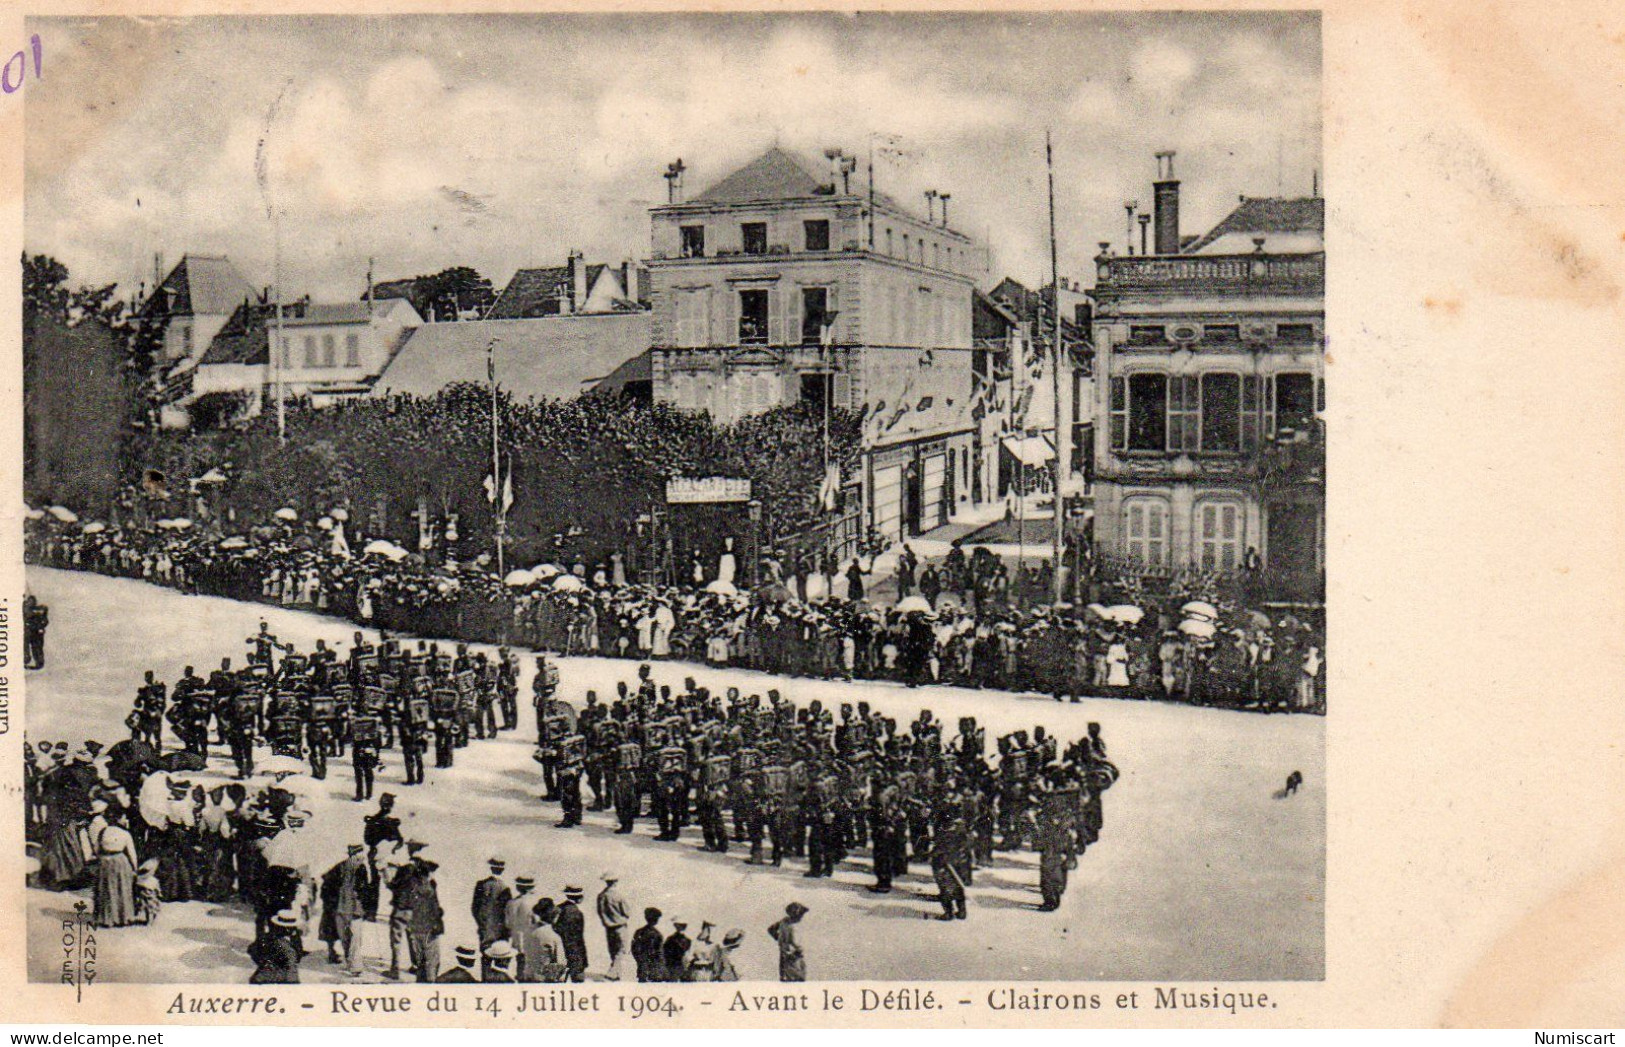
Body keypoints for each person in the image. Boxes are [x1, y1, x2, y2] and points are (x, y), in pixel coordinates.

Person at [92, 809, 138, 927]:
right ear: (118, 819)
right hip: (119, 861)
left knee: (106, 888)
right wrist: (135, 868)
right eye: (123, 817)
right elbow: (132, 854)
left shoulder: (103, 832)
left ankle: (106, 917)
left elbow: (96, 849)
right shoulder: (125, 834)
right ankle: (122, 917)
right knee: (121, 887)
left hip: (104, 861)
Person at [249, 910, 305, 984]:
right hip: (284, 979)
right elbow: (295, 960)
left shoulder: (268, 937)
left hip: (262, 977)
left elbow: (252, 950)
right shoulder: (288, 943)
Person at [521, 898, 566, 983]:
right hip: (544, 979)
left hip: (527, 976)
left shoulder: (528, 931)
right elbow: (560, 965)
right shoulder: (554, 937)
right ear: (554, 916)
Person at [472, 858, 513, 949]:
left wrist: (482, 925)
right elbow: (509, 912)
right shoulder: (505, 888)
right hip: (501, 932)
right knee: (501, 957)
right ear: (502, 870)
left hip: (485, 930)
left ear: (491, 868)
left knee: (486, 957)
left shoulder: (481, 884)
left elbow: (475, 908)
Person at [596, 872, 630, 981]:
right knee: (621, 950)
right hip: (620, 926)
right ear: (615, 882)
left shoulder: (601, 896)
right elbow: (627, 912)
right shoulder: (619, 895)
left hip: (608, 927)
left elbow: (600, 912)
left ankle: (616, 973)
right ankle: (612, 973)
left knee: (613, 950)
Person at [767, 902, 808, 982]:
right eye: (800, 915)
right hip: (792, 955)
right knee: (797, 978)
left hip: (785, 954)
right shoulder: (790, 926)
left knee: (786, 976)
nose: (801, 917)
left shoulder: (784, 921)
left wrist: (779, 940)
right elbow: (792, 942)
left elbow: (771, 929)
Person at [555, 885, 588, 982]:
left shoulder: (558, 908)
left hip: (559, 948)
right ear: (579, 897)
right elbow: (577, 936)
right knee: (577, 980)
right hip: (573, 950)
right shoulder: (576, 912)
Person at [630, 907, 665, 982]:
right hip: (652, 968)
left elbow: (634, 949)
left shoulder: (640, 932)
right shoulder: (657, 934)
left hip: (648, 967)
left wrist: (640, 961)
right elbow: (660, 953)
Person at [661, 919, 691, 983]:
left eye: (683, 925)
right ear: (675, 926)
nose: (681, 927)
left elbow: (688, 953)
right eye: (679, 925)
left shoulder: (688, 940)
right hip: (672, 966)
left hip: (683, 967)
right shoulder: (670, 939)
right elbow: (665, 953)